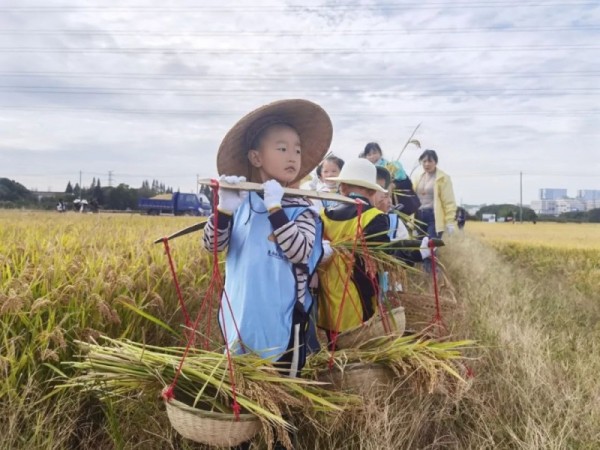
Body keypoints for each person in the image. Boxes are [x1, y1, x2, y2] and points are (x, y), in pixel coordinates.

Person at [203, 99, 331, 380]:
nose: (292, 156)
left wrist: (276, 209)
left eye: (297, 150)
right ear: (256, 158)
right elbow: (213, 246)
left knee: (283, 387)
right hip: (240, 312)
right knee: (242, 385)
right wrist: (224, 209)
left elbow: (300, 252)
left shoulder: (303, 209)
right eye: (282, 148)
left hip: (285, 318)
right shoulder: (241, 204)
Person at [316, 158, 390, 341]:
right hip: (358, 299)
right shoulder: (375, 217)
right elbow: (386, 257)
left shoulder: (322, 215)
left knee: (335, 348)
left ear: (342, 187)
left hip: (328, 298)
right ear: (372, 190)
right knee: (359, 352)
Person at [360, 142, 421, 215]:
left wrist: (392, 185)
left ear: (380, 153)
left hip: (398, 206)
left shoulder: (391, 166)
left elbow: (407, 183)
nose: (372, 156)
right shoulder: (366, 172)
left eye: (374, 153)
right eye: (369, 155)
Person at [413, 149, 457, 239]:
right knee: (417, 248)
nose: (427, 164)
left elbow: (448, 201)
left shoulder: (443, 178)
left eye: (430, 161)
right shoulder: (417, 177)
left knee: (430, 246)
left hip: (433, 217)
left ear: (435, 162)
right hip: (418, 217)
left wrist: (450, 221)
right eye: (424, 161)